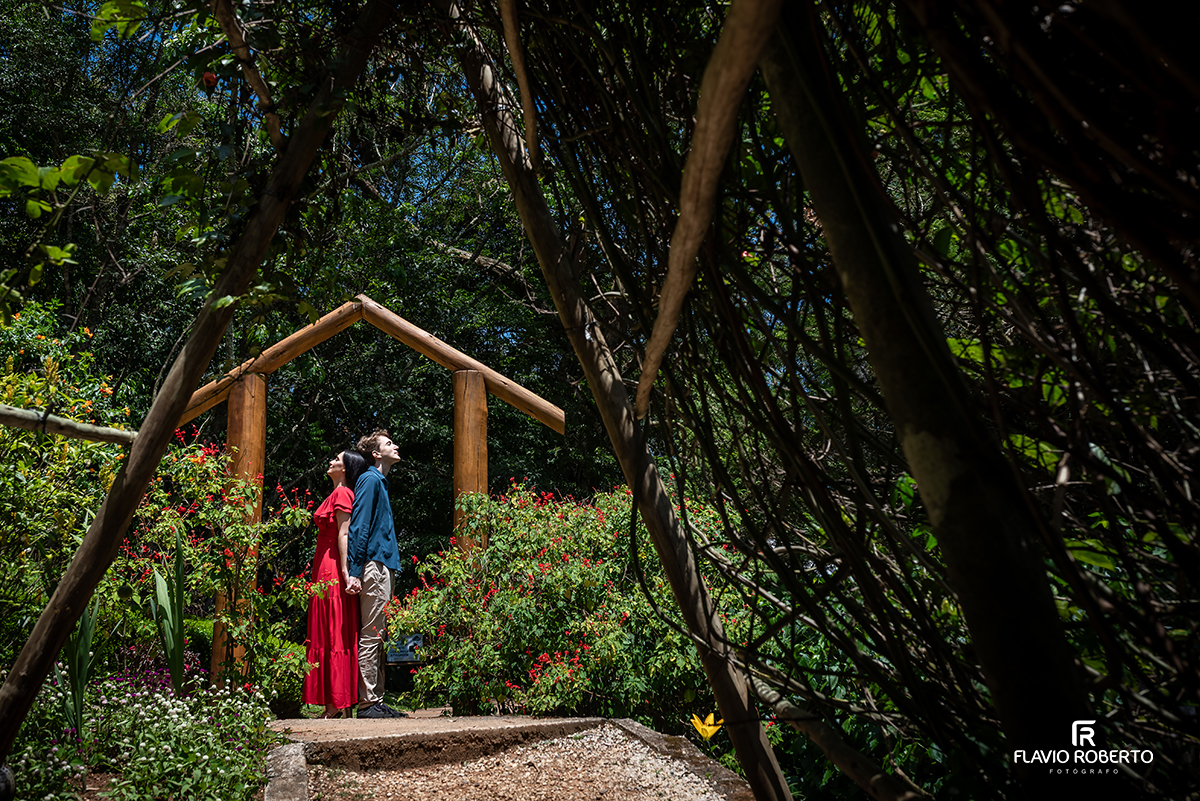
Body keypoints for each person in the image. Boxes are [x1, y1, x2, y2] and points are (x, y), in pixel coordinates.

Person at [302, 449, 370, 718]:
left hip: (332, 565)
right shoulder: (337, 493)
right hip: (325, 563)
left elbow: (345, 533)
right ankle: (335, 703)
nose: (330, 461)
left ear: (346, 469)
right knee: (329, 629)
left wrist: (345, 571)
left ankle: (335, 704)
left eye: (337, 460)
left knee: (333, 629)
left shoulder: (342, 494)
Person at [346, 429, 406, 718]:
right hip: (373, 566)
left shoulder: (379, 482)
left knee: (379, 634)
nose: (396, 446)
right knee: (372, 634)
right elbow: (359, 527)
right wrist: (354, 571)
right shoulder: (370, 480)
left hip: (383, 566)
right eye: (389, 443)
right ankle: (368, 703)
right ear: (376, 454)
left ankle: (376, 700)